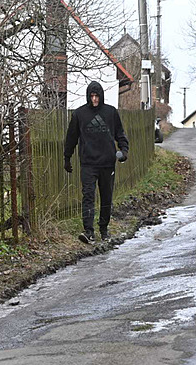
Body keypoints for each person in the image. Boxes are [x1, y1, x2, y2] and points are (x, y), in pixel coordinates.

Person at [64, 81, 129, 244]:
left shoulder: (110, 113)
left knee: (106, 197)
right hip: (88, 163)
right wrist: (67, 157)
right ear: (88, 96)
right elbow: (71, 138)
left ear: (101, 96)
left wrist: (124, 150)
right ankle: (89, 232)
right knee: (88, 196)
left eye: (97, 96)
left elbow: (120, 134)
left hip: (107, 163)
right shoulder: (79, 115)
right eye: (92, 96)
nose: (94, 99)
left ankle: (104, 229)